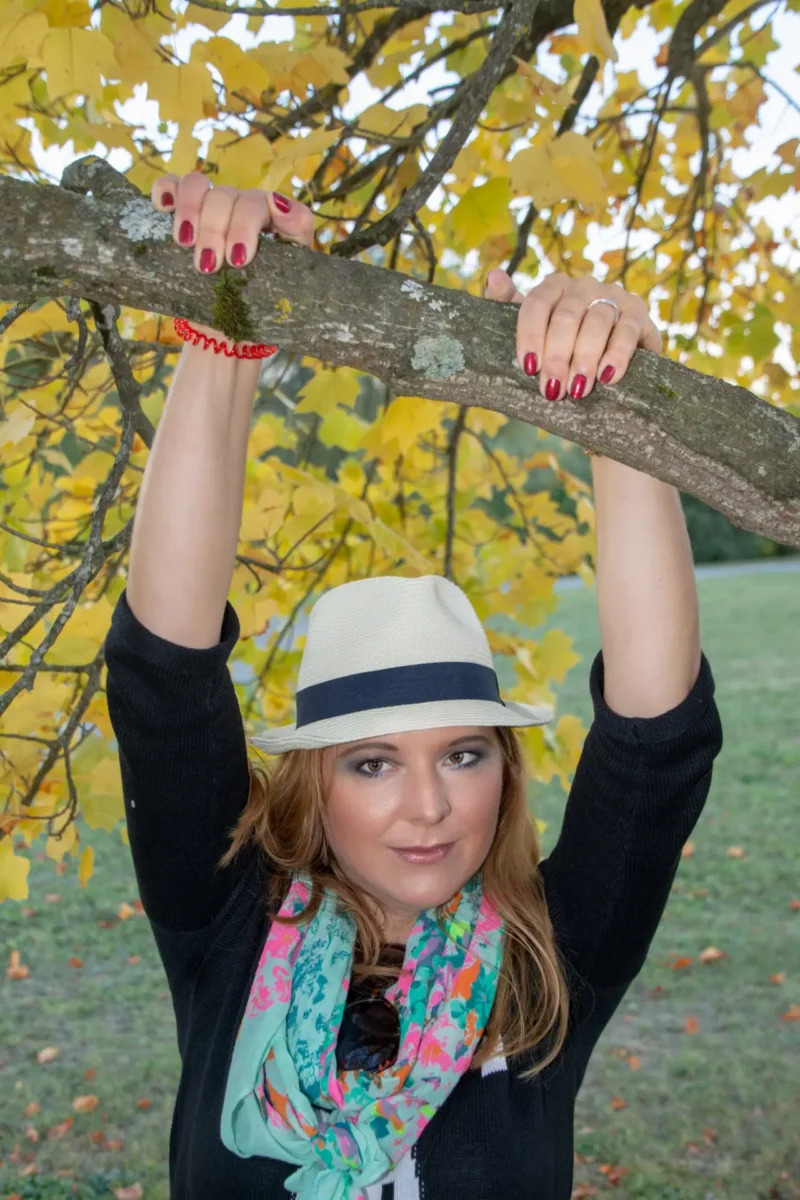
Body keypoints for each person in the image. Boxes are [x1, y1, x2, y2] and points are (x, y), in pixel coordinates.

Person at [103, 172, 724, 1200]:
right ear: (316, 782)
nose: (429, 806)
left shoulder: (548, 956)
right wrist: (224, 326)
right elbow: (161, 679)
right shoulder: (231, 921)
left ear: (502, 771)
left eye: (463, 754)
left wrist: (622, 415)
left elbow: (655, 745)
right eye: (373, 762)